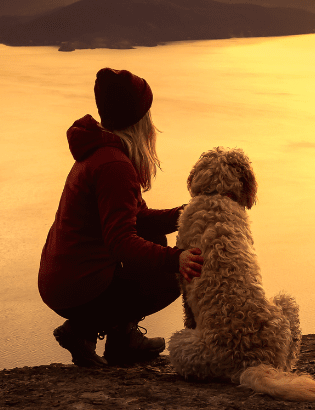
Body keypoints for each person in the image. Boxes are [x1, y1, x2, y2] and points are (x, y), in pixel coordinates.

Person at [38, 68, 204, 366]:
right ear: (139, 119)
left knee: (153, 239)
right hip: (78, 285)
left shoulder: (101, 152)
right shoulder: (115, 166)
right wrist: (175, 259)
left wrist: (188, 213)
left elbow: (136, 217)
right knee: (169, 279)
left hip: (64, 277)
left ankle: (119, 339)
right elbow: (121, 241)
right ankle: (83, 329)